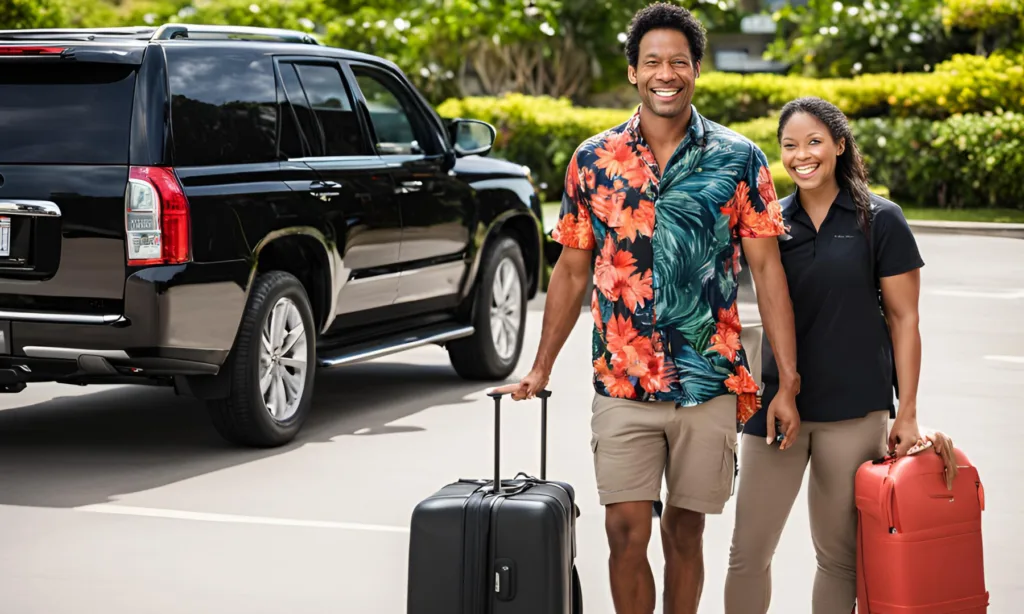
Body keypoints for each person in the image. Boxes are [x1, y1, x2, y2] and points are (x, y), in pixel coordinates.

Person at [494, 4, 801, 613]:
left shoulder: (739, 158)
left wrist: (786, 382)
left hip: (707, 379)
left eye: (679, 62)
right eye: (653, 61)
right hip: (622, 379)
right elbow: (571, 269)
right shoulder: (592, 159)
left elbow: (768, 271)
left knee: (686, 533)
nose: (666, 74)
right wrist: (540, 366)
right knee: (624, 532)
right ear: (633, 71)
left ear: (696, 70)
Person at [724, 96, 932, 614]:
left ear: (839, 145)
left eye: (814, 142)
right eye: (790, 145)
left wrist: (906, 412)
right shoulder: (769, 222)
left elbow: (905, 320)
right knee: (747, 553)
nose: (802, 155)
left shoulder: (881, 219)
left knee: (839, 558)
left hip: (855, 412)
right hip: (777, 409)